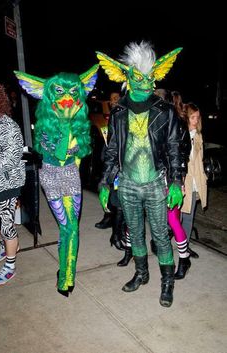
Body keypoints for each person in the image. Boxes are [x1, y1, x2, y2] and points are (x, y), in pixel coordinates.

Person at [96, 41, 184, 307]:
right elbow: (112, 150)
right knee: (134, 233)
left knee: (160, 234)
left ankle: (167, 284)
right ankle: (141, 274)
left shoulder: (165, 111)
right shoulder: (119, 111)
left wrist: (177, 182)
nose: (146, 83)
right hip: (129, 183)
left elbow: (174, 149)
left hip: (156, 182)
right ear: (128, 77)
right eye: (140, 77)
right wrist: (104, 182)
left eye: (150, 77)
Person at [15, 65, 98, 297]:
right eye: (61, 92)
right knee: (66, 228)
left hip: (70, 175)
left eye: (73, 93)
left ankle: (66, 276)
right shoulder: (45, 125)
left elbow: (80, 154)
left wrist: (76, 145)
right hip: (51, 177)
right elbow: (58, 153)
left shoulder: (80, 124)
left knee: (71, 227)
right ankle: (65, 268)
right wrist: (65, 123)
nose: (68, 98)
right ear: (51, 95)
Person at [151, 89, 192, 279]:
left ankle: (184, 258)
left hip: (172, 179)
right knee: (163, 218)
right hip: (156, 178)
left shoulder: (175, 123)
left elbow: (181, 154)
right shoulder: (155, 121)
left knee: (173, 219)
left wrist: (179, 180)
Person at [0, 79, 26, 286]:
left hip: (6, 183)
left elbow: (11, 158)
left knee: (5, 224)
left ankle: (10, 265)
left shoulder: (7, 125)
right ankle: (8, 244)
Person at [181, 103, 207, 257]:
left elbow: (199, 161)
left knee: (188, 217)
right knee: (176, 216)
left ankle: (185, 246)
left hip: (194, 181)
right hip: (183, 180)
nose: (196, 120)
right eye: (192, 117)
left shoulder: (198, 135)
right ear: (186, 117)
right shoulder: (180, 134)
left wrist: (202, 180)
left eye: (197, 117)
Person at [95, 91, 121, 230]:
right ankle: (108, 217)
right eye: (111, 99)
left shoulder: (123, 115)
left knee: (116, 194)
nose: (113, 101)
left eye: (116, 98)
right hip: (109, 159)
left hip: (119, 164)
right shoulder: (110, 116)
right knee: (107, 190)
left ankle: (114, 220)